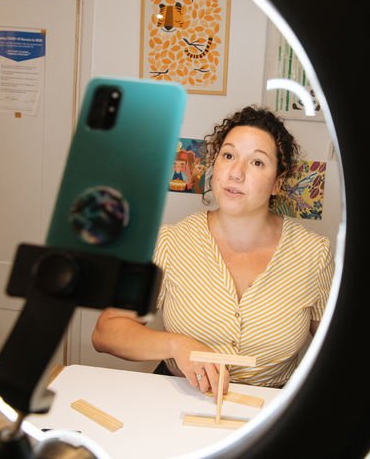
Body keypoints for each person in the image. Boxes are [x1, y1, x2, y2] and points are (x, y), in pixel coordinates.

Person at [91, 105, 334, 394]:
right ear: (214, 166)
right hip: (180, 402)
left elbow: (337, 350)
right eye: (228, 156)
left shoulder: (314, 254)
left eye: (257, 162)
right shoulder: (169, 242)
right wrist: (175, 344)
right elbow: (107, 331)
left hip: (270, 412)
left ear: (277, 183)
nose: (236, 173)